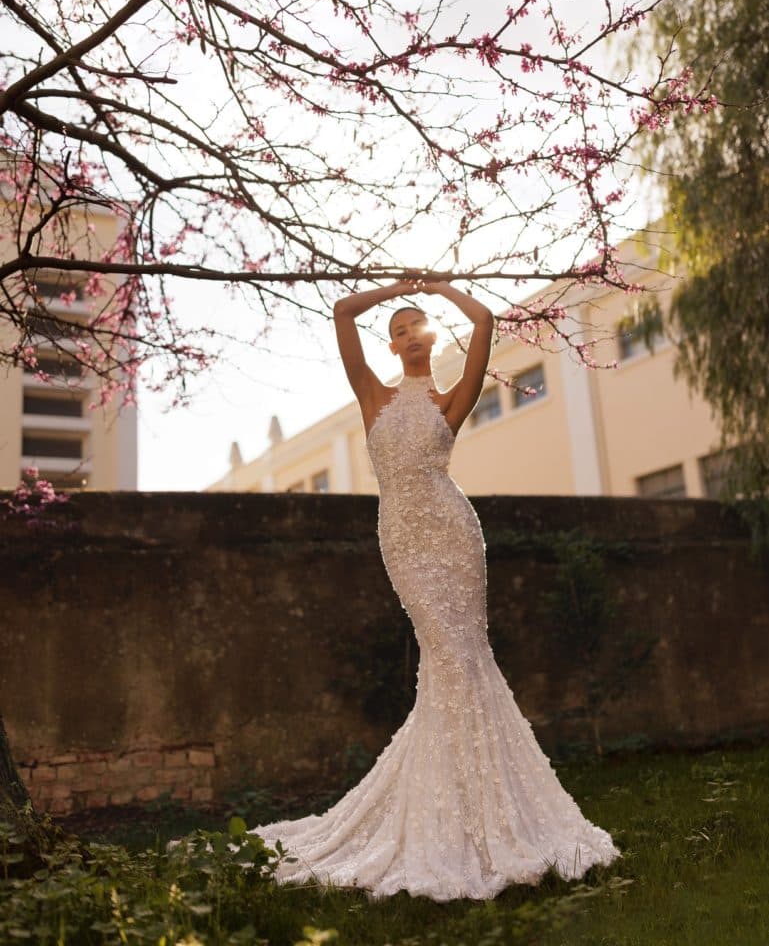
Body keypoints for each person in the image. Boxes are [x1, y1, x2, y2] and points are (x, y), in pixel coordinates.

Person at [249, 277, 620, 900]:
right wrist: (400, 288)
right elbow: (342, 311)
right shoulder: (372, 395)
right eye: (399, 331)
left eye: (416, 327)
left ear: (429, 338)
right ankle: (453, 808)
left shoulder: (450, 400)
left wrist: (443, 288)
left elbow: (485, 323)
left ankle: (482, 809)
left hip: (454, 534)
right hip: (403, 540)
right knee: (446, 656)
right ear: (393, 347)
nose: (409, 335)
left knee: (465, 659)